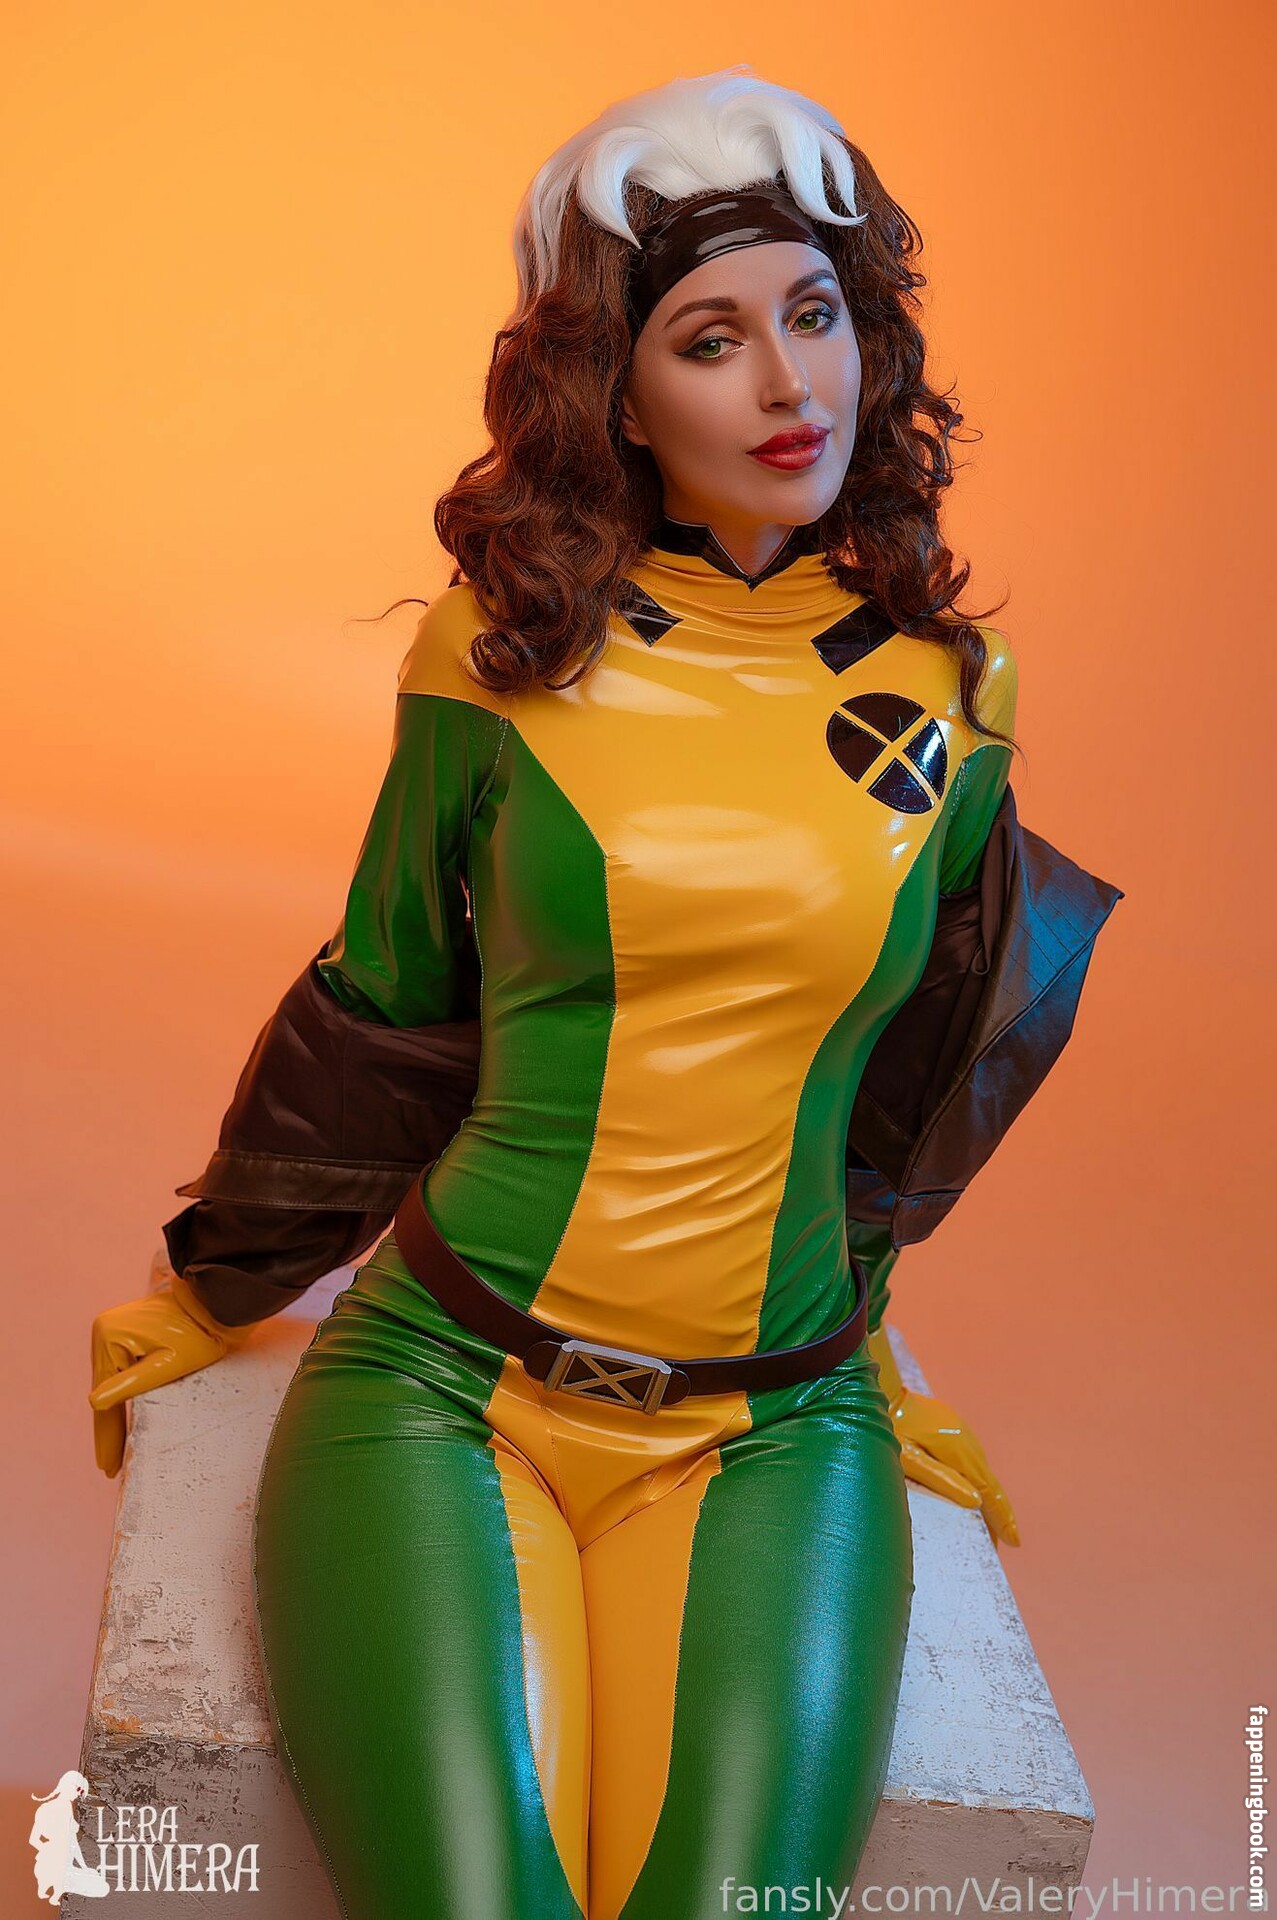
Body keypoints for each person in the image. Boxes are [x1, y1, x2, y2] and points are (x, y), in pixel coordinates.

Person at [88, 68, 1122, 1920]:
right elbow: (384, 995)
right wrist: (215, 1277)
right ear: (619, 397)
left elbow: (909, 1079)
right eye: (711, 340)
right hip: (446, 1384)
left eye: (815, 316)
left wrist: (862, 1314)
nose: (788, 385)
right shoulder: (495, 660)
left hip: (776, 1426)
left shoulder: (957, 697)